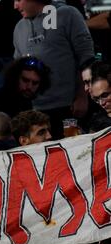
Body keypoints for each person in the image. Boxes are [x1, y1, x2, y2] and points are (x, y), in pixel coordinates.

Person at [13, 0, 95, 139]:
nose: (15, 6)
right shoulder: (19, 28)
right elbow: (18, 68)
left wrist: (82, 95)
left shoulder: (68, 15)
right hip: (37, 113)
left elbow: (86, 58)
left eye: (18, 0)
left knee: (73, 153)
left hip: (70, 108)